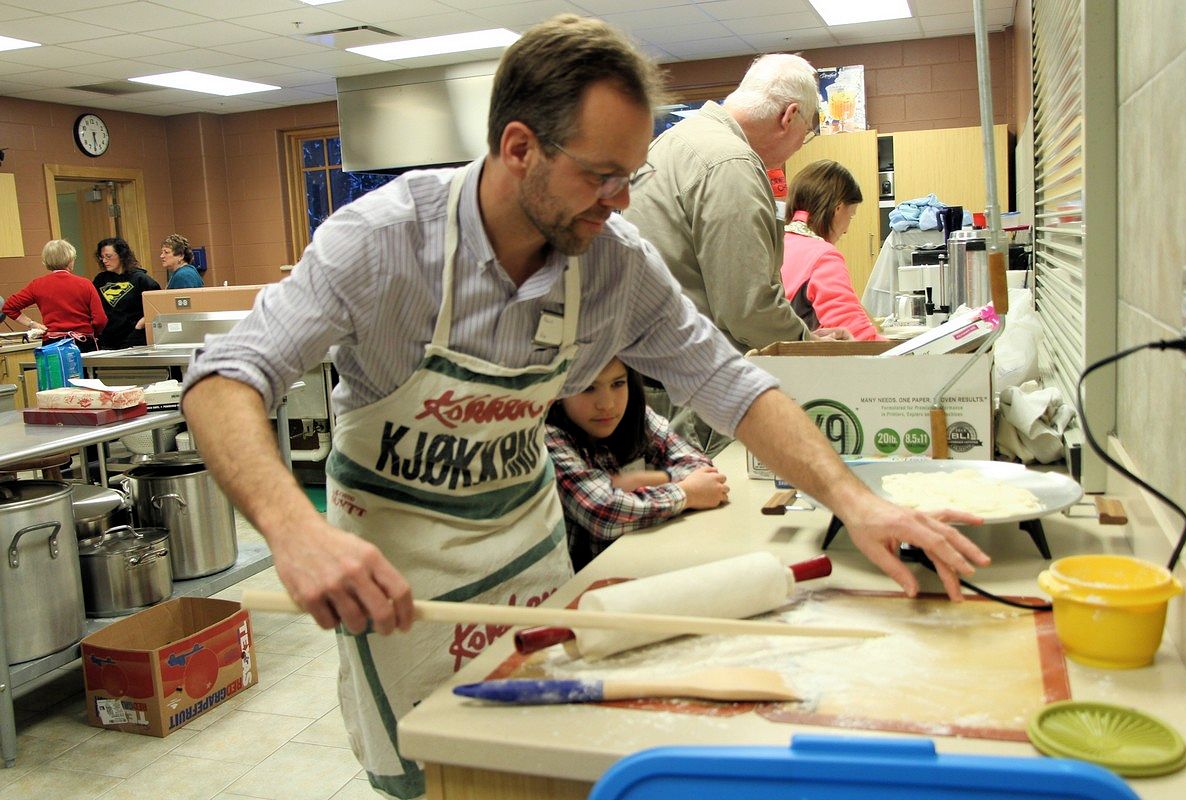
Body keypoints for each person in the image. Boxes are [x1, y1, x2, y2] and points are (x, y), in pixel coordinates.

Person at [180, 15, 988, 799]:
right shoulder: (382, 242)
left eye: (630, 176)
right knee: (445, 773)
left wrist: (855, 500)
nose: (621, 200)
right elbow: (225, 377)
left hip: (527, 558)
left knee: (544, 761)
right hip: (397, 582)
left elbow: (729, 381)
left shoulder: (612, 265)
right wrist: (296, 531)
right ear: (519, 147)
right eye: (601, 175)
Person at [623, 53, 848, 455]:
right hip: (692, 390)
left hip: (649, 379)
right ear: (789, 116)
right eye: (807, 133)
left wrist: (803, 334)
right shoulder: (731, 163)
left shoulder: (675, 141)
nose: (800, 146)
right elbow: (746, 308)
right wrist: (808, 343)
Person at [546, 358, 728, 571]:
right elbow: (603, 512)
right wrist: (685, 493)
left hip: (640, 560)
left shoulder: (635, 415)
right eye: (588, 388)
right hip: (583, 581)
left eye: (617, 384)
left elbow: (698, 467)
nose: (607, 404)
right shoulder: (548, 437)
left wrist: (647, 483)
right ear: (558, 393)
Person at [781, 160, 887, 341]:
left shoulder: (777, 242)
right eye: (851, 215)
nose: (846, 230)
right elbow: (853, 331)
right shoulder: (822, 256)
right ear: (838, 209)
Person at [2, 239, 107, 352]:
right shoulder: (85, 284)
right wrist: (91, 333)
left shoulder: (37, 285)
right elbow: (100, 319)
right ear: (70, 259)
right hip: (83, 344)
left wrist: (32, 324)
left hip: (52, 345)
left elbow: (9, 307)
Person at [93, 236, 159, 349]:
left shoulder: (141, 280)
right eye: (102, 257)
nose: (104, 261)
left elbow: (157, 308)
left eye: (108, 256)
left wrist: (139, 326)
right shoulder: (100, 280)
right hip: (107, 341)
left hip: (134, 339)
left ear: (121, 255)